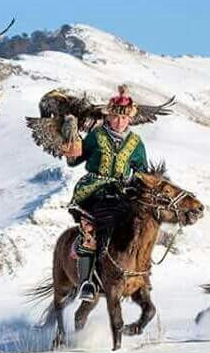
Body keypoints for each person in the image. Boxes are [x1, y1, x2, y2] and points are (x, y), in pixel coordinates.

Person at [63, 84, 149, 301]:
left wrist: (143, 185)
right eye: (116, 117)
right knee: (91, 230)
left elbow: (142, 172)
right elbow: (75, 160)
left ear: (130, 118)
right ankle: (86, 282)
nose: (120, 122)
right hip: (93, 190)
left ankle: (138, 274)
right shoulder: (96, 135)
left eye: (124, 118)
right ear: (109, 116)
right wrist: (71, 148)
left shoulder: (136, 143)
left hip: (121, 193)